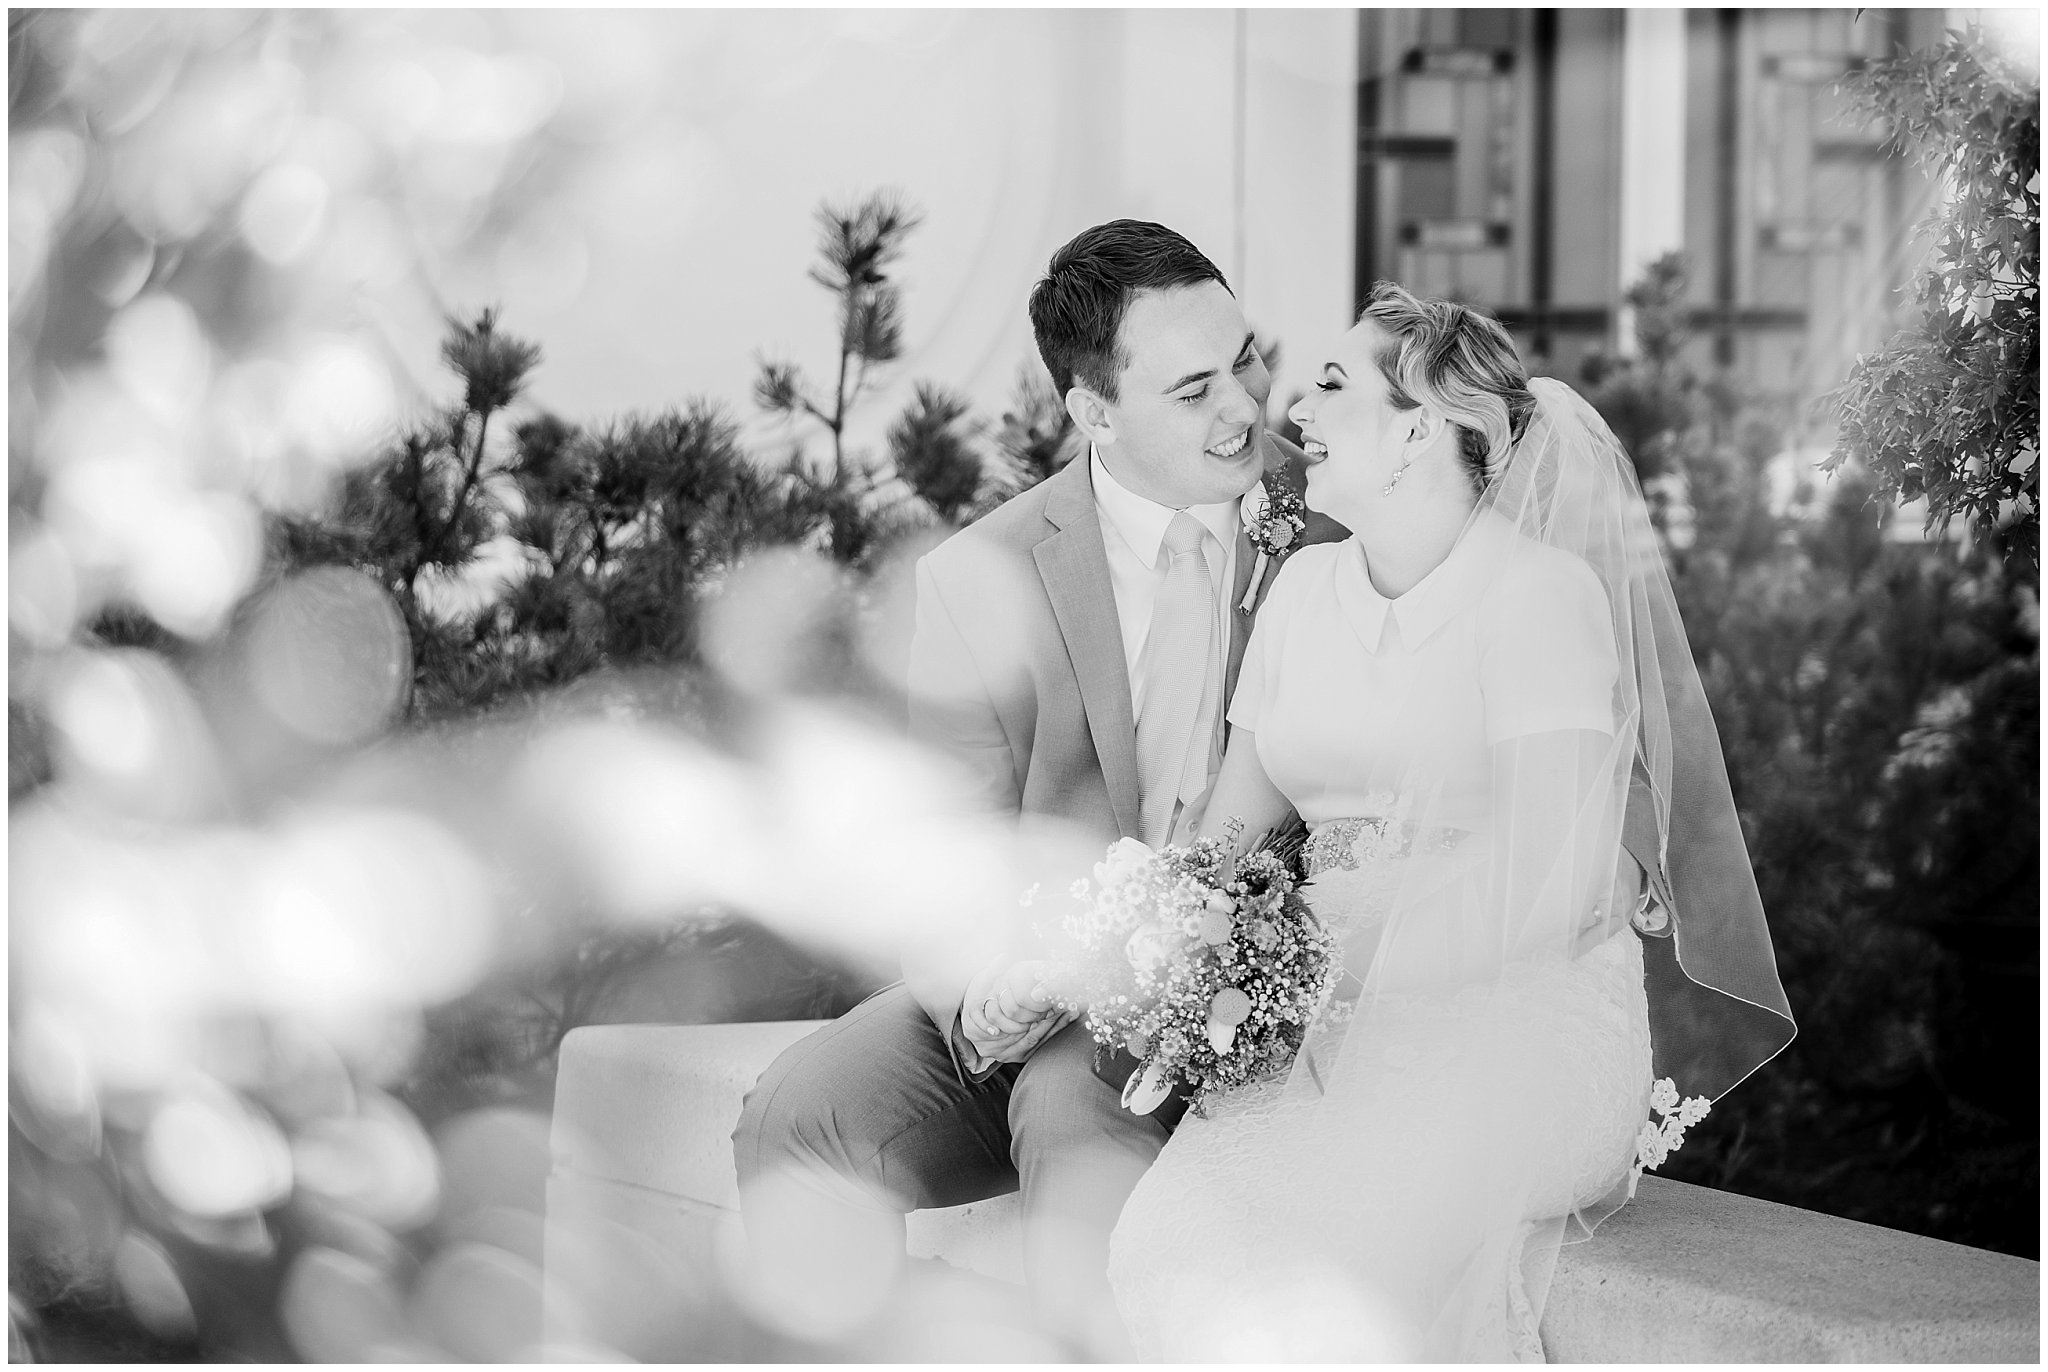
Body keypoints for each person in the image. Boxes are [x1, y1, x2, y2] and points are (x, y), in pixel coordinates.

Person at [1106, 283, 1795, 1360]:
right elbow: (1227, 842)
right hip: (1316, 1030)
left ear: (1418, 427)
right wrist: (1178, 944)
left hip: (1523, 1018)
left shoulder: (1538, 599)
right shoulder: (1297, 592)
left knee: (1346, 1247)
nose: (1295, 409)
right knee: (1160, 1244)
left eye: (1332, 384)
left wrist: (1351, 982)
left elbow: (1557, 881)